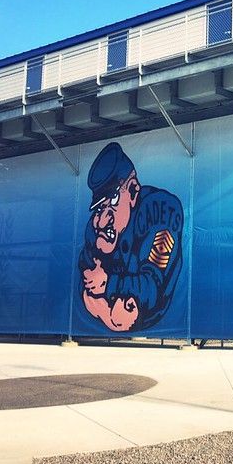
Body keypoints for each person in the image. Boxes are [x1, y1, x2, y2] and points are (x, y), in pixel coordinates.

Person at [79, 142, 183, 331]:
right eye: (101, 207)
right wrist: (105, 307)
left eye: (113, 203)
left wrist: (108, 283)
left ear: (133, 191)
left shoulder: (160, 211)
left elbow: (152, 288)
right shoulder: (95, 227)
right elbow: (86, 278)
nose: (102, 220)